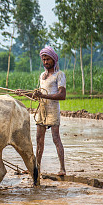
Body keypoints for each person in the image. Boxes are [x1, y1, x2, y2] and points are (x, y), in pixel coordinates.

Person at [16, 46, 67, 176]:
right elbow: (38, 94)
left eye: (48, 59)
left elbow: (62, 95)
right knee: (39, 140)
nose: (45, 62)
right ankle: (36, 168)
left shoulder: (59, 75)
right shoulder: (42, 76)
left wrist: (43, 96)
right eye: (44, 59)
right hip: (42, 110)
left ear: (54, 60)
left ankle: (62, 169)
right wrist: (24, 93)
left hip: (53, 110)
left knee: (56, 139)